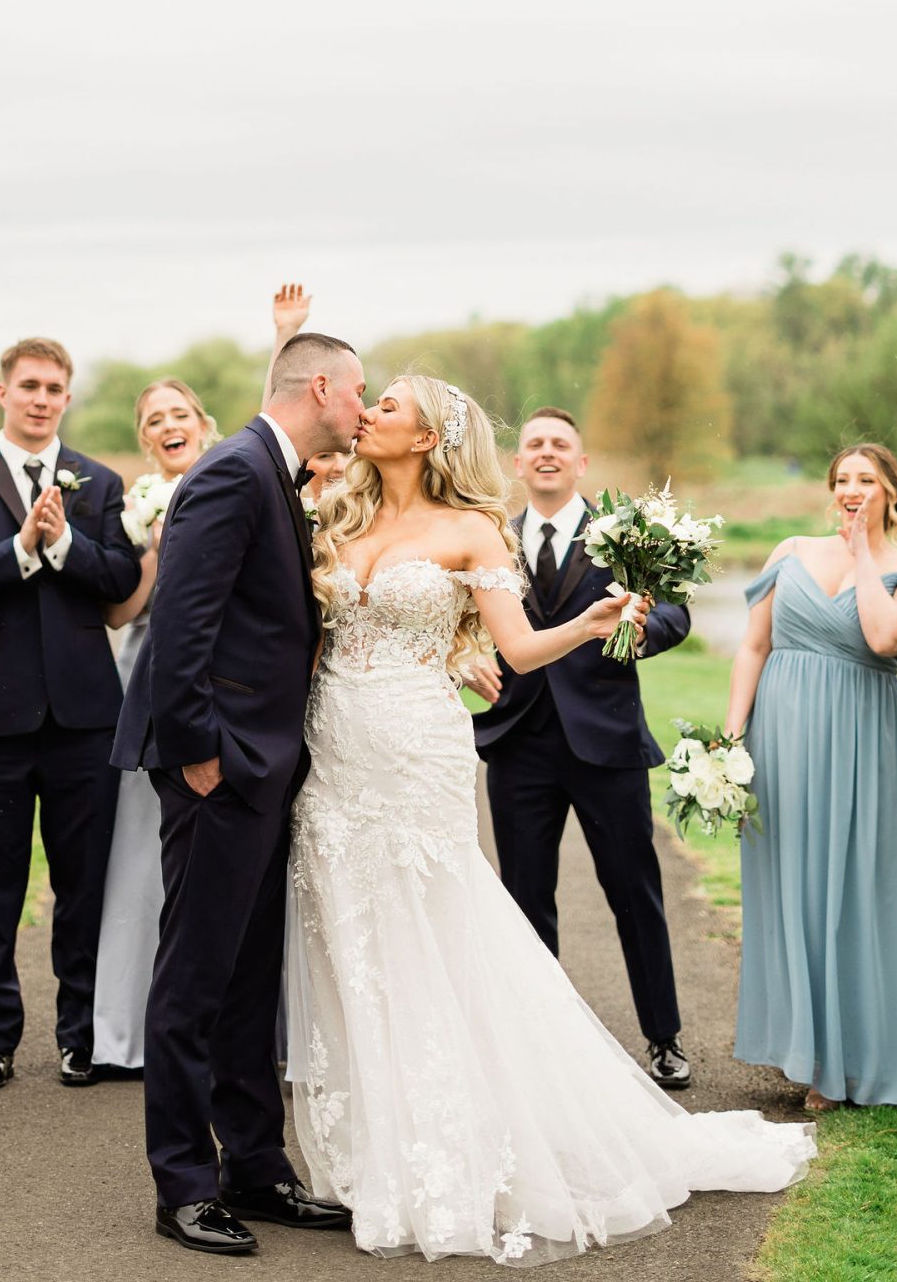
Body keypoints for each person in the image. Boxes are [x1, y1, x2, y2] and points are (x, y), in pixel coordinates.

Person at [288, 374, 813, 1264]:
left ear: (426, 439)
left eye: (387, 407)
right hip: (335, 754)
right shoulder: (333, 511)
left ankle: (474, 1144)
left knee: (440, 936)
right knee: (352, 946)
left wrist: (587, 624)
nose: (365, 411)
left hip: (417, 756)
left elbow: (521, 644)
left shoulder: (470, 530)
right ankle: (378, 1149)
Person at [115, 330, 367, 1257]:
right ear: (321, 387)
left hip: (264, 764)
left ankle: (254, 1167)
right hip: (219, 765)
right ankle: (182, 1184)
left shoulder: (274, 470)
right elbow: (182, 623)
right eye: (358, 393)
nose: (363, 409)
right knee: (193, 976)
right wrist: (198, 753)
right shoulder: (230, 472)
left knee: (249, 977)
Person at [93, 284, 311, 1075]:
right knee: (158, 875)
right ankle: (128, 1031)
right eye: (153, 419)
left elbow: (276, 431)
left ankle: (240, 1047)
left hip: (240, 704)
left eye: (177, 412)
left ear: (202, 423)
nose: (167, 425)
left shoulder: (234, 471)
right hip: (172, 698)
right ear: (145, 441)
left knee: (234, 900)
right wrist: (158, 550)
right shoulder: (139, 505)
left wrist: (285, 338)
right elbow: (131, 613)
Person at [0, 336, 139, 1091]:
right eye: (30, 386)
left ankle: (77, 1036)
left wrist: (66, 541)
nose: (42, 399)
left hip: (84, 720)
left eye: (55, 388)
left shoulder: (101, 481)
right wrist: (18, 548)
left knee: (83, 887)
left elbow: (120, 578)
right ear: (3, 392)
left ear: (66, 399)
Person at [468, 405, 693, 1088]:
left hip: (607, 741)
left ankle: (664, 1038)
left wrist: (644, 626)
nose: (544, 453)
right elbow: (460, 619)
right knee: (526, 898)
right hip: (518, 740)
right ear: (517, 462)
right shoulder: (491, 541)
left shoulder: (628, 536)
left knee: (634, 894)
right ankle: (542, 1045)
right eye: (533, 443)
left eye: (558, 444)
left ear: (580, 461)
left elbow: (677, 612)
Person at [727, 442, 897, 1110]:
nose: (851, 490)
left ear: (891, 493)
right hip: (781, 735)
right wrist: (731, 739)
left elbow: (883, 640)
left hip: (860, 742)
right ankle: (800, 1047)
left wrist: (859, 556)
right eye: (841, 480)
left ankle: (846, 1061)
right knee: (791, 885)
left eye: (866, 481)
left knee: (852, 887)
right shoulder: (787, 550)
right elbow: (753, 644)